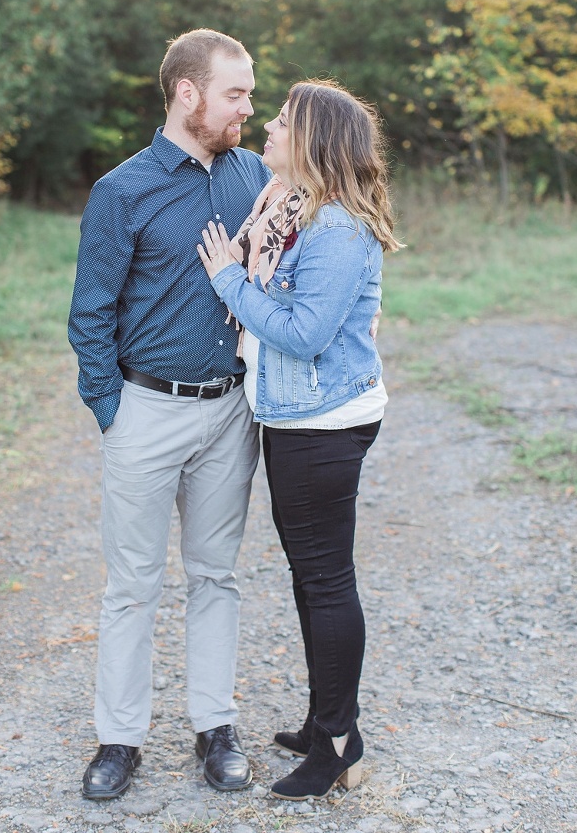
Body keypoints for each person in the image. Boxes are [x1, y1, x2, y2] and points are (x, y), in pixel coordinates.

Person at [68, 29, 271, 800]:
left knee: (216, 575)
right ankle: (119, 738)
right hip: (145, 411)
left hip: (229, 415)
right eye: (237, 93)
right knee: (132, 584)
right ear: (188, 94)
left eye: (249, 94)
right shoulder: (122, 191)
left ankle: (214, 725)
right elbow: (89, 314)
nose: (248, 107)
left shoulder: (252, 174)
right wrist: (112, 412)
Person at [197, 79, 401, 801]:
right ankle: (326, 723)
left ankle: (340, 746)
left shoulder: (337, 228)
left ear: (312, 140)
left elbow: (304, 333)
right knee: (311, 576)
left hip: (322, 422)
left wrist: (228, 279)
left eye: (282, 121)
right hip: (295, 418)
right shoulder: (293, 208)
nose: (270, 128)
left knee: (325, 578)